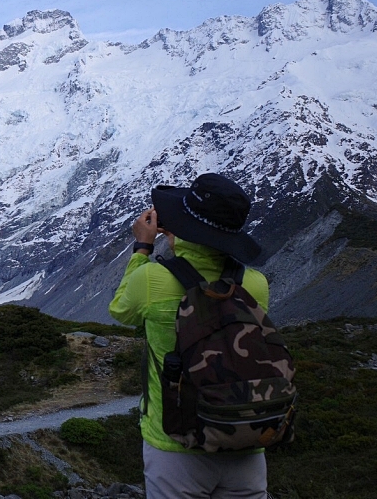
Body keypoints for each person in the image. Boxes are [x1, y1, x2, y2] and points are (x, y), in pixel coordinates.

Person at [109, 173, 269, 499]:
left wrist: (143, 248)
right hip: (245, 440)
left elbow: (121, 310)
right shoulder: (255, 284)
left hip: (174, 444)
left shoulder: (152, 280)